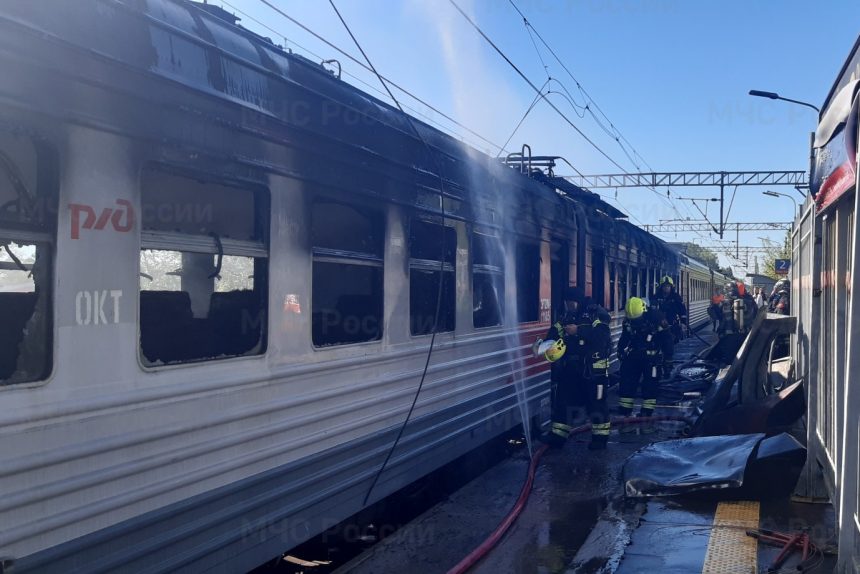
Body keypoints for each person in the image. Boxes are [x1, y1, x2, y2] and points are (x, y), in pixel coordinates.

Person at [535, 286, 612, 450]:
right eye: (567, 303)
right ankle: (558, 436)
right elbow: (555, 332)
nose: (569, 306)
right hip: (571, 369)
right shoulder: (565, 317)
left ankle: (600, 439)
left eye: (571, 303)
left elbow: (602, 335)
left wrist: (579, 330)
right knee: (563, 402)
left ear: (577, 301)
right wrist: (545, 344)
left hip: (593, 371)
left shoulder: (595, 313)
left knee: (596, 405)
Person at [617, 297, 664, 434]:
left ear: (644, 311)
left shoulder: (656, 318)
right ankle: (625, 417)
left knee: (650, 387)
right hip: (633, 357)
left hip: (652, 358)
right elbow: (624, 337)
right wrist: (620, 350)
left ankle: (646, 417)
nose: (635, 322)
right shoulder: (628, 321)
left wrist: (668, 359)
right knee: (626, 385)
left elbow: (666, 338)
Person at [650, 275, 687, 372]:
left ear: (671, 287)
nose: (666, 288)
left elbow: (682, 311)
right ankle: (655, 369)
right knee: (655, 348)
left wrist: (683, 323)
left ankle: (668, 369)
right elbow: (651, 311)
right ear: (661, 287)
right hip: (657, 328)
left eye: (668, 286)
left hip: (671, 327)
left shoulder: (676, 297)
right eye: (664, 286)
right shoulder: (655, 297)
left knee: (668, 349)